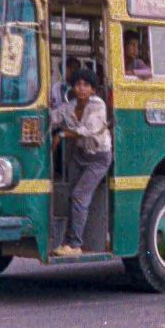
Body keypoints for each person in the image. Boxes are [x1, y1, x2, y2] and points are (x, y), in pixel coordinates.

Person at [49, 69, 112, 256]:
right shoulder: (70, 106)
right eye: (78, 84)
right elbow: (54, 118)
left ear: (93, 89)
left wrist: (62, 134)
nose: (81, 88)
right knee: (71, 195)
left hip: (98, 158)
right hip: (79, 155)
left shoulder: (98, 105)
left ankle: (75, 245)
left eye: (86, 85)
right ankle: (67, 242)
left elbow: (88, 129)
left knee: (79, 195)